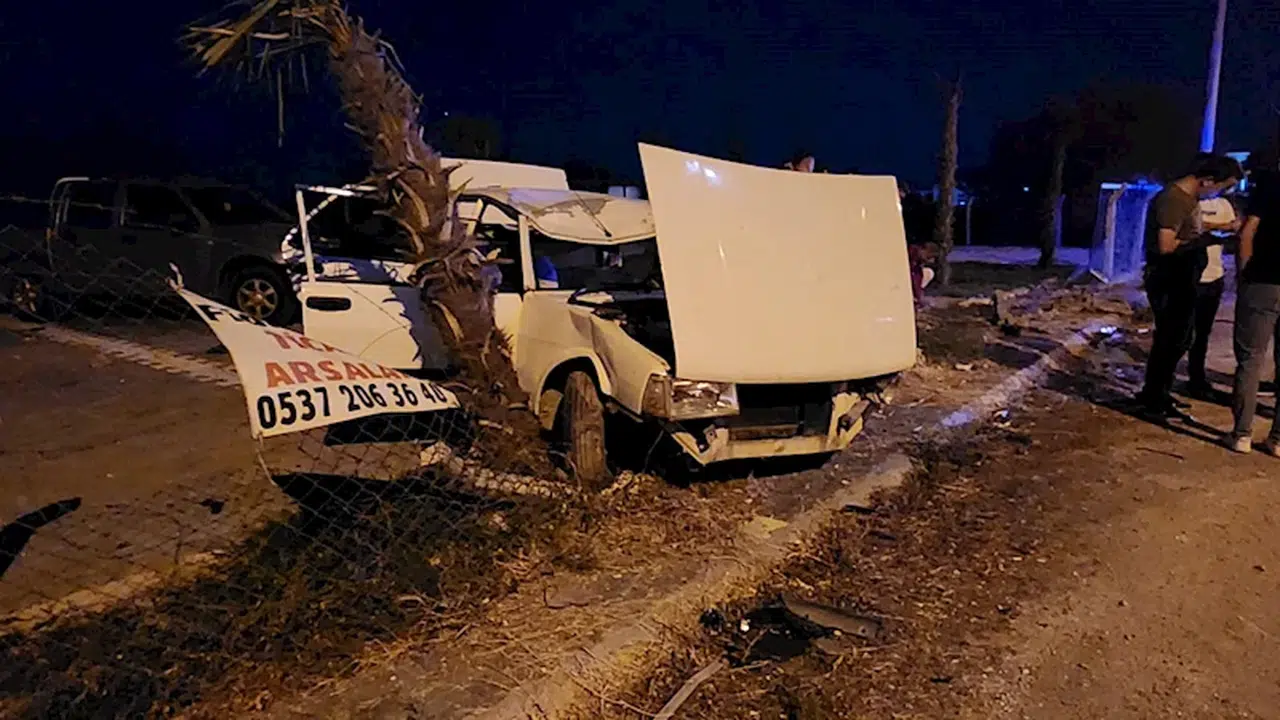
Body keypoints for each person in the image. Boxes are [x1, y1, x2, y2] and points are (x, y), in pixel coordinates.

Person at [1137, 154, 1243, 417]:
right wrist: (1203, 243)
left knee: (1180, 338)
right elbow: (1166, 245)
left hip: (1183, 277)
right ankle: (1153, 397)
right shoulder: (1174, 200)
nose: (1221, 192)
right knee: (1170, 339)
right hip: (1169, 278)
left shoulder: (1188, 200)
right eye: (1222, 186)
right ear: (1208, 180)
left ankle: (1160, 393)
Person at [1229, 150, 1280, 454]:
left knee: (1251, 359)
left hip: (1262, 280)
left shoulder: (1272, 184)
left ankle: (1241, 434)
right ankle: (1277, 439)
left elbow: (1247, 232)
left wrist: (1243, 271)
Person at [1186, 171, 1244, 399]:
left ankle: (1196, 379)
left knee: (1202, 333)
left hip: (1214, 275)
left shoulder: (1223, 204)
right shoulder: (1191, 202)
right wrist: (1217, 227)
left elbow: (1235, 226)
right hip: (1191, 277)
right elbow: (1192, 226)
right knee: (1183, 333)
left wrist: (1214, 227)